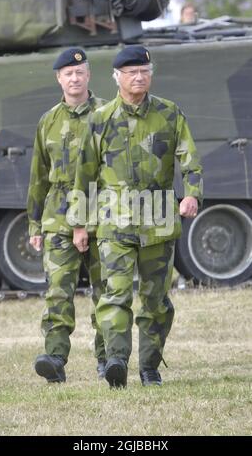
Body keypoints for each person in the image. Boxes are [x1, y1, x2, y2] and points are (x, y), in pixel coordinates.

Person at [68, 45, 203, 388]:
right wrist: (80, 224)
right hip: (115, 220)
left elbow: (189, 158)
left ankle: (149, 366)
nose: (139, 77)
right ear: (117, 78)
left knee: (156, 300)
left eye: (144, 70)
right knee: (115, 295)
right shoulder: (100, 120)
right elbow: (83, 175)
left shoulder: (170, 114)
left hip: (159, 219)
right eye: (131, 72)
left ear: (150, 73)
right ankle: (115, 360)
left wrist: (192, 193)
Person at [27, 47, 106, 383]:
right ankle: (55, 359)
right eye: (67, 74)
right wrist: (34, 223)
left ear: (88, 75)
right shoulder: (49, 121)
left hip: (103, 215)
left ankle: (109, 359)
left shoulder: (107, 114)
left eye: (80, 72)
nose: (74, 78)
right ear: (59, 78)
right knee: (58, 291)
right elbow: (38, 176)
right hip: (58, 217)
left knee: (107, 292)